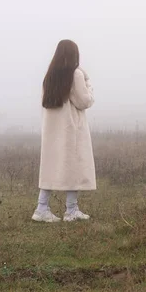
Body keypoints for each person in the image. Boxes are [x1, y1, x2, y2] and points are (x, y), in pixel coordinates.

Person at [32, 39, 96, 222]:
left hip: (52, 131)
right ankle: (71, 210)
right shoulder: (75, 74)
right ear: (74, 54)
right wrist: (88, 82)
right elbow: (84, 101)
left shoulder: (50, 76)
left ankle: (41, 208)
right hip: (71, 129)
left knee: (51, 166)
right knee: (74, 166)